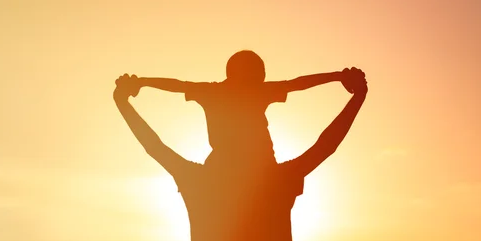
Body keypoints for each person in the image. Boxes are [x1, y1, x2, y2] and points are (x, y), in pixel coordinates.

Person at [113, 66, 368, 241]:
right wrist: (356, 96)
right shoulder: (278, 181)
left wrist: (124, 103)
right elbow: (326, 144)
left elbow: (154, 145)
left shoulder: (201, 181)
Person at [122, 50, 358, 169]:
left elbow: (177, 85)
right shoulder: (254, 91)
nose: (264, 77)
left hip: (235, 164)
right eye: (260, 71)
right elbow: (297, 84)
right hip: (257, 165)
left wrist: (142, 81)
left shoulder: (213, 92)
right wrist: (337, 76)